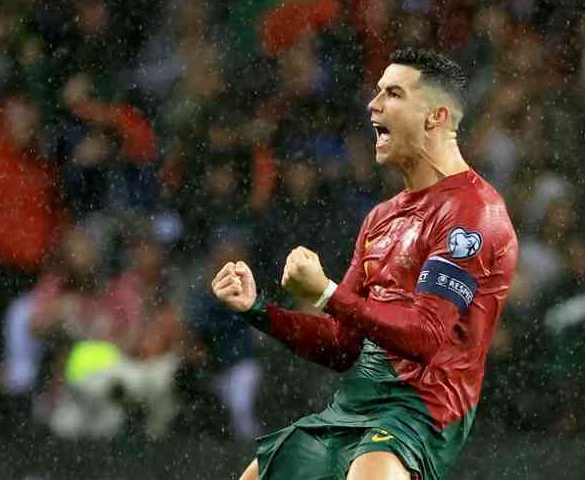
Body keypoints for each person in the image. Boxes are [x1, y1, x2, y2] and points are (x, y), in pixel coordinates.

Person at [210, 48, 519, 480]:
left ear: (435, 117)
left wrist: (325, 293)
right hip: (350, 409)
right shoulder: (382, 217)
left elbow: (427, 336)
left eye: (392, 94)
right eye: (376, 92)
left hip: (419, 412)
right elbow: (342, 345)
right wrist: (257, 309)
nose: (373, 105)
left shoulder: (473, 213)